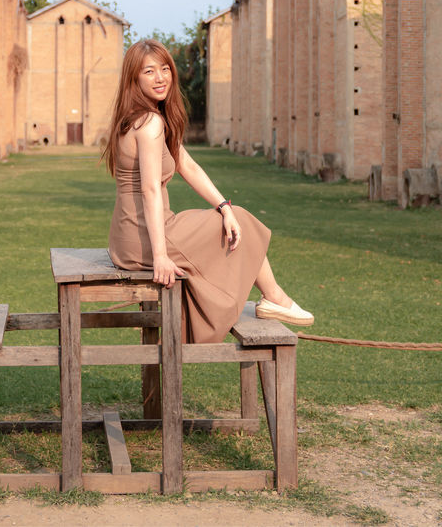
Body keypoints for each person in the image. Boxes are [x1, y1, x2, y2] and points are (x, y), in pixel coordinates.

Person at [103, 38, 313, 344]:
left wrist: (223, 206)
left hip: (130, 238)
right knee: (240, 224)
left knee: (233, 217)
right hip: (147, 237)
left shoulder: (139, 118)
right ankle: (274, 297)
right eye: (149, 71)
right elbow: (149, 189)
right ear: (134, 78)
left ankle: (273, 296)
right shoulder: (149, 123)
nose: (160, 78)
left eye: (165, 69)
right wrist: (160, 256)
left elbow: (187, 165)